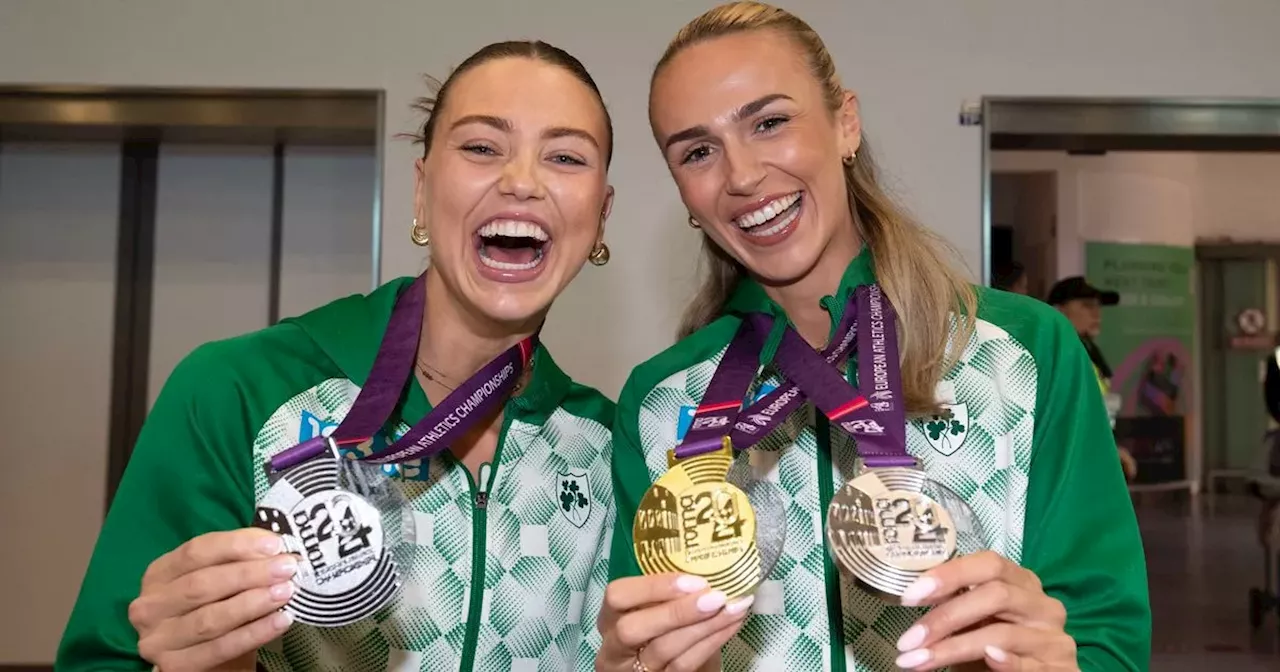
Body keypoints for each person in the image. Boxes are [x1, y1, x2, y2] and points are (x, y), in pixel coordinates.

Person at [595, 3, 1150, 671]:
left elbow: (1108, 641)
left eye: (769, 122)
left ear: (846, 123)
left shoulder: (1024, 353)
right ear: (682, 189)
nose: (741, 176)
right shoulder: (659, 402)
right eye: (697, 151)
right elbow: (641, 643)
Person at [57, 40, 617, 672]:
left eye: (565, 157)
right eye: (482, 147)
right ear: (421, 187)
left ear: (599, 217)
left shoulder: (608, 444)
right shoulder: (239, 388)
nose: (521, 182)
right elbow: (105, 657)